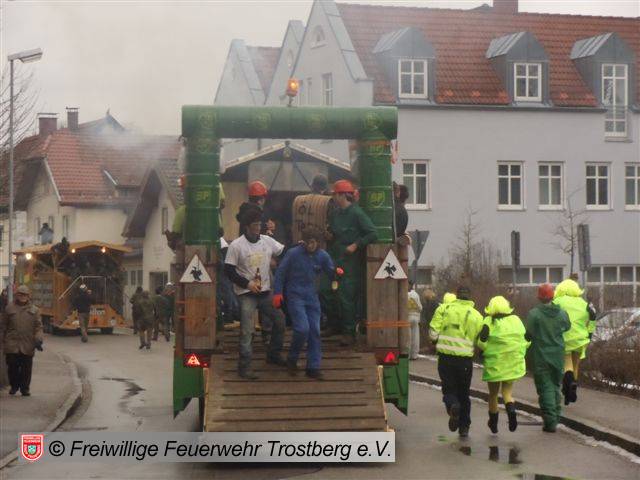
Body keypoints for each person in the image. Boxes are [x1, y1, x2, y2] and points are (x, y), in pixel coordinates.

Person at [224, 208, 286, 379]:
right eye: (255, 225)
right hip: (246, 294)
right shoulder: (236, 246)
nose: (258, 228)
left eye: (259, 224)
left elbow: (283, 251)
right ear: (247, 227)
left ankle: (273, 354)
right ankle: (244, 367)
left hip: (265, 292)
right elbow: (229, 271)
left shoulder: (267, 241)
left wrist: (299, 246)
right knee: (247, 330)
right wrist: (247, 284)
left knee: (280, 321)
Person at [273, 226, 341, 380]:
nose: (311, 245)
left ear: (318, 242)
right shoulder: (293, 254)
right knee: (302, 329)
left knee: (315, 331)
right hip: (295, 295)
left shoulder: (322, 256)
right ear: (303, 241)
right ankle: (292, 358)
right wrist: (277, 293)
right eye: (308, 242)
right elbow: (280, 273)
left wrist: (336, 273)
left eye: (314, 242)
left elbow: (331, 271)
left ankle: (313, 367)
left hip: (312, 297)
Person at [325, 180, 377, 346]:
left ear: (342, 195)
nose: (333, 198)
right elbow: (333, 234)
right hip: (335, 257)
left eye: (335, 194)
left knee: (346, 296)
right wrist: (329, 236)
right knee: (328, 291)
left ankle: (349, 332)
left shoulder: (357, 213)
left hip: (350, 262)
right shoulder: (335, 214)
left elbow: (372, 233)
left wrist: (355, 245)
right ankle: (335, 325)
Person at [429, 285, 484, 437]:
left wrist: (434, 341)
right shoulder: (477, 315)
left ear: (457, 296)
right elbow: (481, 343)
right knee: (464, 394)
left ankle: (453, 405)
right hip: (465, 361)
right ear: (469, 297)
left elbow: (433, 333)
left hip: (446, 358)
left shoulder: (444, 309)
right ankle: (464, 427)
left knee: (449, 390)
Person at [477, 295, 529, 434]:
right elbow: (525, 340)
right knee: (507, 393)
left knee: (493, 395)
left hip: (495, 365)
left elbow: (482, 344)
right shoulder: (516, 320)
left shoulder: (488, 322)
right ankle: (511, 410)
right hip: (512, 363)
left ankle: (493, 423)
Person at [526, 283, 571, 433]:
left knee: (545, 388)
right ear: (553, 296)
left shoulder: (534, 314)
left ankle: (550, 422)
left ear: (539, 297)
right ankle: (556, 416)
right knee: (555, 386)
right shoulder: (562, 313)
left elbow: (528, 333)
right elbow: (567, 326)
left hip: (541, 356)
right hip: (558, 355)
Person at [553, 278, 595, 405]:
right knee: (575, 365)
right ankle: (572, 389)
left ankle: (568, 387)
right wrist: (589, 334)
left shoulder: (556, 302)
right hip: (580, 339)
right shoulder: (583, 303)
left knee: (567, 364)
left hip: (564, 338)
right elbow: (592, 318)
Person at [1, 285, 43, 396]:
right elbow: (3, 326)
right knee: (12, 366)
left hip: (27, 343)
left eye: (25, 295)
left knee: (26, 368)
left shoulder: (35, 310)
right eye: (20, 294)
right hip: (12, 343)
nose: (22, 296)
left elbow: (38, 327)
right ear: (16, 295)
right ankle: (14, 386)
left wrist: (38, 338)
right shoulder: (9, 308)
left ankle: (25, 388)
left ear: (28, 296)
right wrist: (2, 340)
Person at [407, 282, 423, 360]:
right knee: (415, 337)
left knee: (408, 337)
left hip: (407, 317)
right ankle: (414, 355)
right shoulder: (416, 294)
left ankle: (408, 354)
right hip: (416, 317)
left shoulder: (404, 294)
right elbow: (420, 307)